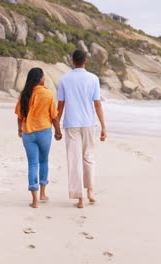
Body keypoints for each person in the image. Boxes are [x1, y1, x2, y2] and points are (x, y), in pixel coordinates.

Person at [57, 49, 107, 209]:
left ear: (72, 61)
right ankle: (90, 191)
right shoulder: (93, 79)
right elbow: (97, 103)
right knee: (88, 157)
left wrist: (56, 126)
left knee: (74, 159)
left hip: (71, 123)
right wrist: (103, 126)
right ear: (85, 60)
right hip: (88, 123)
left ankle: (80, 198)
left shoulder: (64, 79)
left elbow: (60, 105)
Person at [15, 68, 62, 208]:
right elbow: (54, 117)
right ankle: (42, 194)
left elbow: (19, 115)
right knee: (44, 161)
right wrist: (58, 132)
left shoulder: (24, 94)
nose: (45, 78)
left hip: (28, 133)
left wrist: (20, 130)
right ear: (40, 78)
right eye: (43, 76)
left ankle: (35, 200)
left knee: (32, 164)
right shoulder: (48, 94)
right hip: (44, 132)